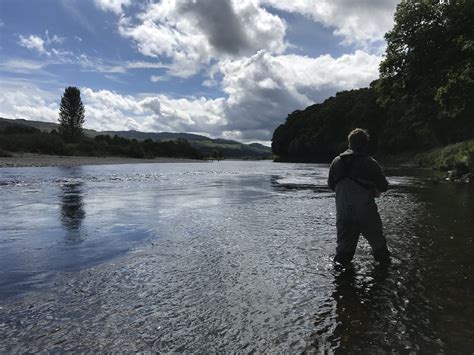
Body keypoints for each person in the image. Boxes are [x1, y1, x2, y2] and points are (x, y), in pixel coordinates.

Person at [327, 128, 390, 266]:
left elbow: (331, 186)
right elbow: (384, 186)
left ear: (349, 143)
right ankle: (383, 280)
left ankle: (342, 285)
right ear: (365, 144)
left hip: (343, 213)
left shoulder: (336, 162)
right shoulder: (370, 162)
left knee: (342, 257)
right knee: (380, 251)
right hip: (366, 212)